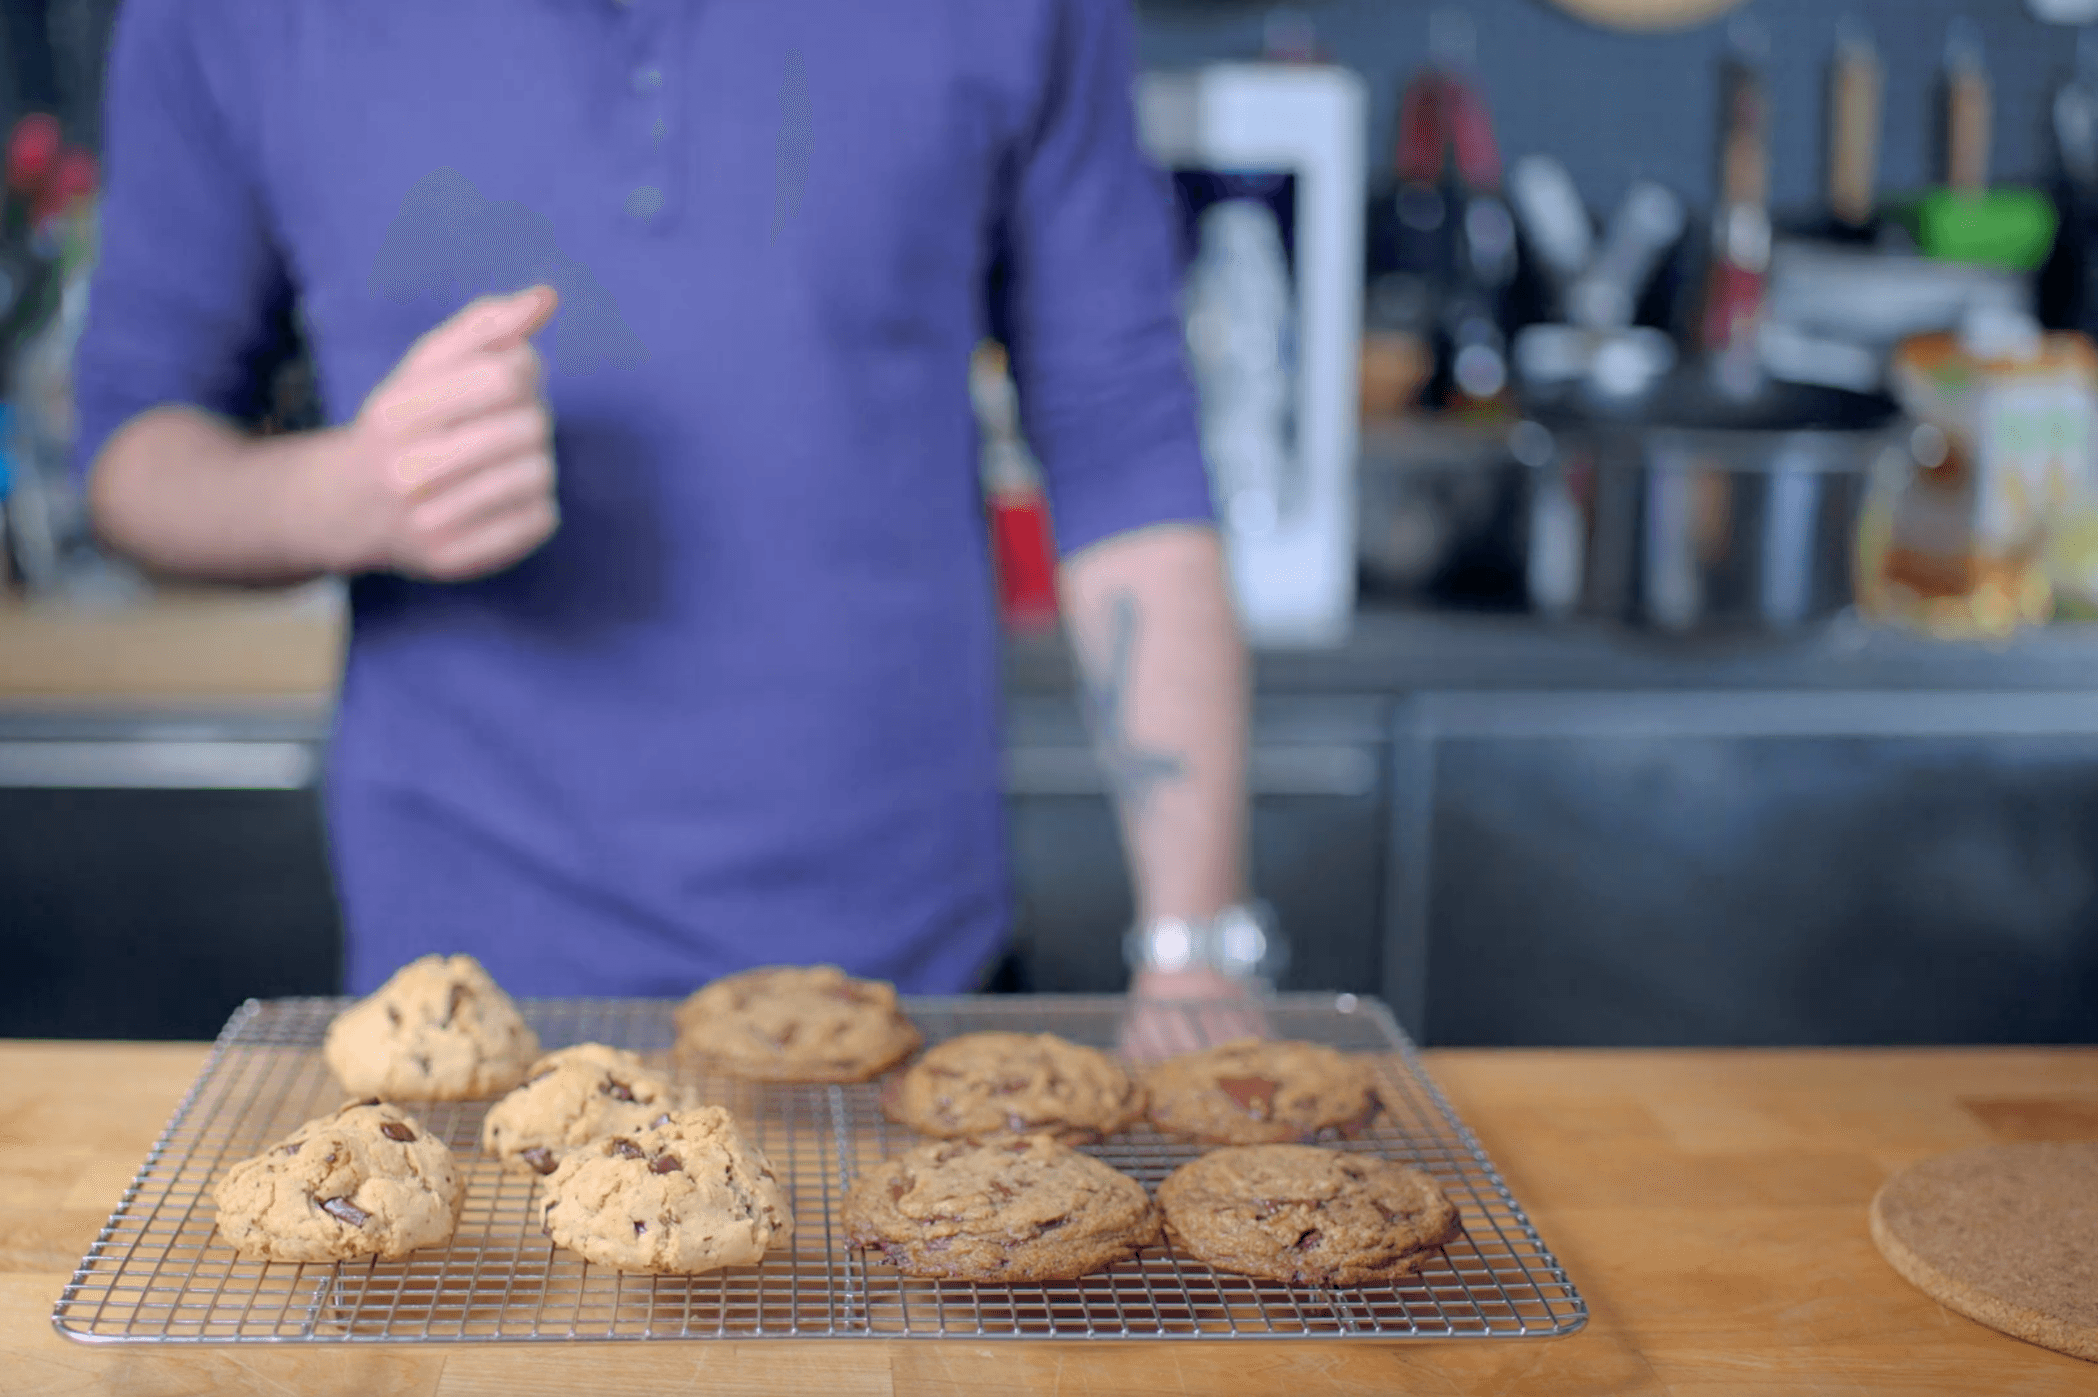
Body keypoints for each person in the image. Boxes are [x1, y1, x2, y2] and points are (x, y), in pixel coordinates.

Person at [74, 0, 1273, 1034]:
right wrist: (345, 493)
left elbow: (1124, 439)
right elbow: (133, 450)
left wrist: (1196, 944)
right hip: (467, 1013)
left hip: (916, 994)